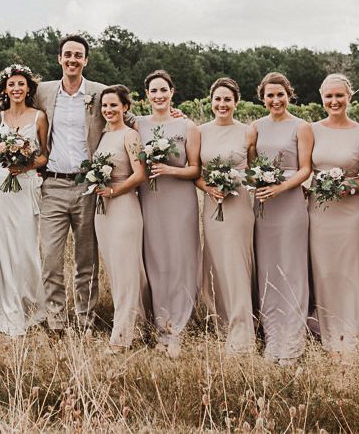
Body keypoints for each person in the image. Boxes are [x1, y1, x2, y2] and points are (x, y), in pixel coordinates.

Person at [33, 34, 108, 332]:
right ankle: (56, 320)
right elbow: (11, 106)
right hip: (52, 185)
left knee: (86, 260)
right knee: (50, 257)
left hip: (87, 187)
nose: (72, 59)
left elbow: (127, 119)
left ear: (86, 60)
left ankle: (85, 319)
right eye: (68, 54)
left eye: (78, 55)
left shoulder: (100, 93)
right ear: (59, 59)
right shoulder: (44, 92)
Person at [308, 73, 359, 353]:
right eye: (329, 96)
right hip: (319, 213)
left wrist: (347, 186)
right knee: (324, 270)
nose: (334, 101)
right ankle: (327, 330)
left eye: (340, 96)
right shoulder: (310, 129)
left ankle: (358, 331)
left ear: (350, 97)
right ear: (321, 97)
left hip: (351, 215)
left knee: (352, 270)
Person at [136, 70, 201, 358]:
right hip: (150, 199)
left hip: (180, 199)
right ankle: (159, 324)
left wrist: (170, 169)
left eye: (164, 90)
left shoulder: (188, 126)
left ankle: (178, 326)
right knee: (156, 259)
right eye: (153, 91)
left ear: (172, 91)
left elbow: (195, 168)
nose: (159, 95)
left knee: (180, 258)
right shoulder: (137, 125)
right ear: (146, 95)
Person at [0, 64, 49, 336]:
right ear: (5, 89)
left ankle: (27, 303)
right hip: (0, 187)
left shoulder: (39, 117)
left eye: (22, 84)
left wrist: (26, 164)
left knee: (24, 246)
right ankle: (5, 303)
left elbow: (45, 155)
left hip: (25, 187)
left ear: (28, 88)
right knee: (1, 245)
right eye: (12, 85)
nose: (17, 89)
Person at [252, 72, 313, 363]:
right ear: (262, 98)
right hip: (263, 206)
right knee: (268, 268)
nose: (275, 100)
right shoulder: (255, 127)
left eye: (280, 94)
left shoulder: (301, 127)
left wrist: (281, 187)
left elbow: (305, 169)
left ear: (289, 94)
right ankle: (272, 337)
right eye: (269, 95)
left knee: (292, 268)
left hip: (289, 203)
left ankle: (292, 340)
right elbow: (248, 161)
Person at [197, 77, 257, 354]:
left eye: (227, 99)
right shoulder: (200, 132)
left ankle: (243, 332)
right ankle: (222, 324)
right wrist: (210, 187)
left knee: (237, 263)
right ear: (211, 102)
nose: (222, 104)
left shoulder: (248, 132)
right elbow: (195, 171)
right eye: (217, 99)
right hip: (212, 204)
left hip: (240, 204)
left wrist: (237, 181)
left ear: (236, 101)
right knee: (216, 264)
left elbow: (256, 169)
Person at [92, 85, 148, 353]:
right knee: (115, 272)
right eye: (105, 106)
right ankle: (137, 327)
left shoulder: (131, 135)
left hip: (124, 206)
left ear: (125, 107)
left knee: (127, 271)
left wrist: (114, 190)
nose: (109, 110)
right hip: (102, 211)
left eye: (114, 105)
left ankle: (121, 337)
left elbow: (140, 175)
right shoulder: (102, 136)